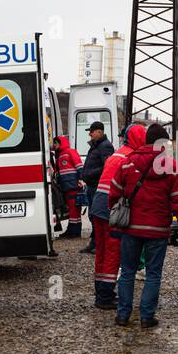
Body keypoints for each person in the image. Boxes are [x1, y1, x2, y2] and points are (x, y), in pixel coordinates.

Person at [109, 123, 178, 327]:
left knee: (127, 271)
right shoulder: (171, 166)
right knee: (153, 274)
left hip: (131, 228)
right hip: (158, 230)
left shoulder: (128, 162)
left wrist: (120, 211)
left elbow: (114, 193)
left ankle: (122, 315)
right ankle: (147, 317)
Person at [89, 123, 145, 309]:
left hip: (97, 206)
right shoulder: (131, 157)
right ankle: (105, 296)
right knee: (113, 253)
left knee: (102, 251)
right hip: (110, 209)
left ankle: (100, 292)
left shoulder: (117, 154)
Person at [79, 121, 114, 254]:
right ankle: (95, 243)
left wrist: (89, 174)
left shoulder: (105, 146)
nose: (90, 134)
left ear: (99, 132)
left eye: (92, 131)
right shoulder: (97, 145)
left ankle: (99, 244)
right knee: (93, 215)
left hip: (98, 186)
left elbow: (107, 167)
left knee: (97, 216)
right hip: (92, 185)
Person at [52, 136, 85, 238]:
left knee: (74, 210)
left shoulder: (70, 152)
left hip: (73, 186)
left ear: (61, 143)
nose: (54, 145)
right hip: (66, 187)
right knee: (72, 209)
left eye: (56, 143)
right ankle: (73, 230)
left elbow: (79, 167)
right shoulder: (59, 155)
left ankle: (74, 232)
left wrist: (81, 179)